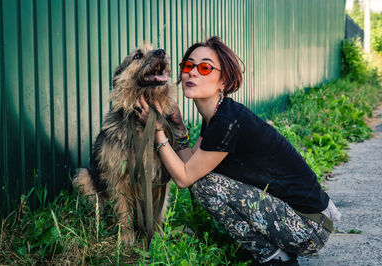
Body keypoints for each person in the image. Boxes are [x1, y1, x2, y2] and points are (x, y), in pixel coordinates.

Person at [134, 36, 341, 266]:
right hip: (300, 217)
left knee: (205, 185)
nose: (192, 73)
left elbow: (184, 178)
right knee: (202, 180)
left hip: (310, 227)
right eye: (188, 66)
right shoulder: (217, 116)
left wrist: (158, 132)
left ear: (223, 81)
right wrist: (180, 130)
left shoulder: (228, 121)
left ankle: (274, 258)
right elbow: (190, 163)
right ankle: (274, 252)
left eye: (204, 67)